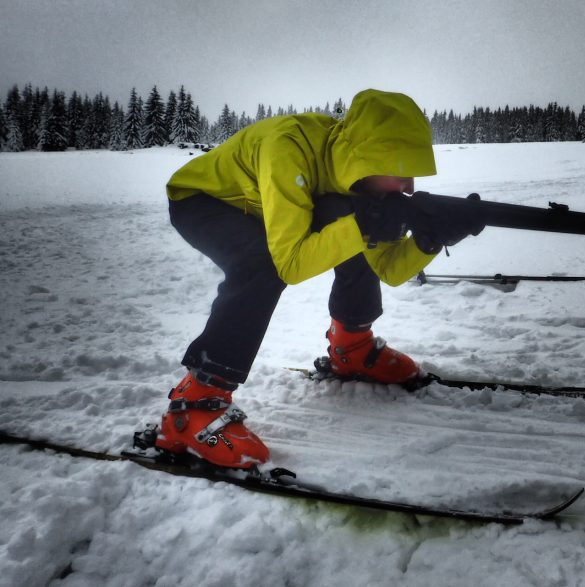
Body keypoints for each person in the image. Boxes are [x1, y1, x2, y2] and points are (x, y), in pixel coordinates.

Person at [155, 89, 484, 469]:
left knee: (352, 233)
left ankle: (352, 349)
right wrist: (361, 226)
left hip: (268, 201)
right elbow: (290, 264)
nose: (409, 186)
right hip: (207, 201)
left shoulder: (353, 175)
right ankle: (192, 406)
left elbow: (390, 270)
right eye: (401, 171)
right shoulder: (288, 147)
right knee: (260, 265)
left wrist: (430, 240)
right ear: (369, 159)